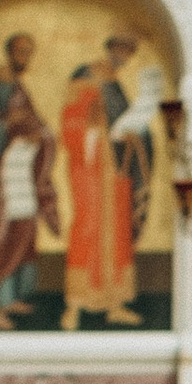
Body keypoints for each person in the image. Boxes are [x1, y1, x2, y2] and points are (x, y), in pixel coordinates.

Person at [61, 33, 154, 327]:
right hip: (90, 165)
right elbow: (70, 117)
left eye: (128, 52)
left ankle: (115, 302)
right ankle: (75, 305)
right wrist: (91, 124)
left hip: (116, 169)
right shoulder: (86, 75)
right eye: (120, 49)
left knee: (117, 231)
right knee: (87, 226)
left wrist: (135, 136)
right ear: (110, 47)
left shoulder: (115, 84)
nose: (122, 57)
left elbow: (127, 123)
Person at [0, 31, 57, 327]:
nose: (25, 58)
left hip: (19, 166)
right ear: (8, 52)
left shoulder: (19, 87)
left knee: (24, 225)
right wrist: (8, 126)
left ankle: (10, 297)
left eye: (29, 52)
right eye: (21, 51)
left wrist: (40, 135)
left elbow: (34, 121)